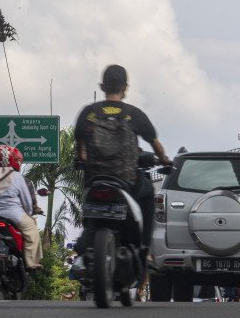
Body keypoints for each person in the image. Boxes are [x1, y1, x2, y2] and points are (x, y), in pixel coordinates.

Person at [72, 64, 171, 263]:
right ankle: (144, 248)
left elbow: (81, 152)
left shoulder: (88, 113)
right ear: (125, 87)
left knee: (89, 216)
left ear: (102, 86)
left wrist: (87, 160)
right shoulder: (134, 114)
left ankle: (87, 238)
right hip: (128, 181)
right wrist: (164, 160)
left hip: (95, 180)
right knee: (149, 195)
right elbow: (155, 144)